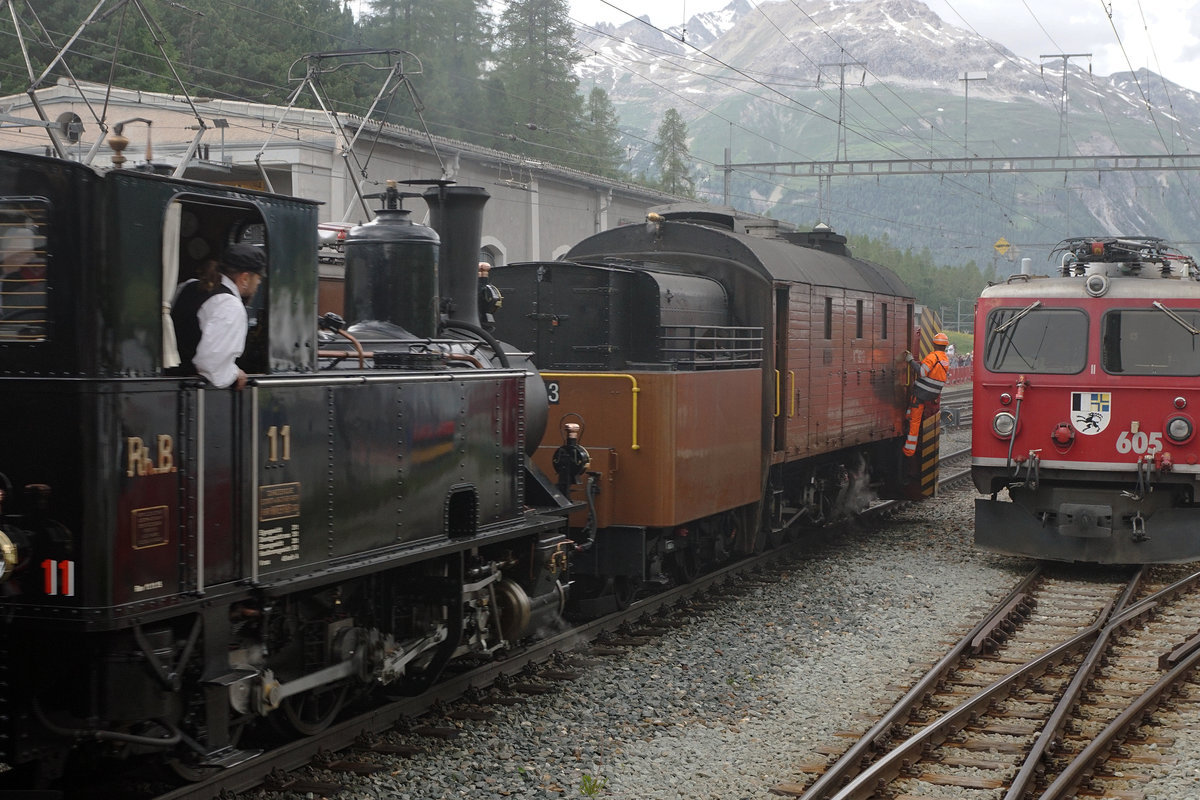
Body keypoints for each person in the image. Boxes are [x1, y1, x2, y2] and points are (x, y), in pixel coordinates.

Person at [169, 243, 266, 390]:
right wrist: (235, 373)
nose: (259, 283)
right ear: (245, 278)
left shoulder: (187, 286)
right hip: (192, 391)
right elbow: (211, 366)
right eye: (258, 278)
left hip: (171, 379)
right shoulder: (230, 306)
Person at [902, 331, 950, 457]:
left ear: (934, 344)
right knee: (915, 415)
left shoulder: (932, 357)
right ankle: (908, 415)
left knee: (915, 421)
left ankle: (909, 450)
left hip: (922, 393)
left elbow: (922, 373)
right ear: (945, 346)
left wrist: (911, 361)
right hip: (933, 394)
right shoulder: (945, 359)